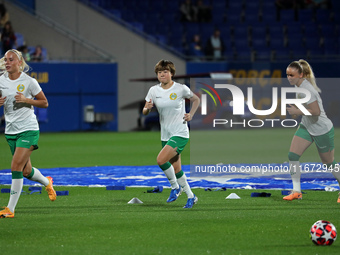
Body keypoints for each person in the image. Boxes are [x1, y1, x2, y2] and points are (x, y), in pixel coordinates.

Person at [0, 49, 56, 218]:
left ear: (20, 62)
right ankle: (47, 182)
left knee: (15, 167)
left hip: (28, 129)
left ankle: (10, 209)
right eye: (5, 60)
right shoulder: (1, 80)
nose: (7, 62)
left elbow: (44, 102)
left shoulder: (29, 82)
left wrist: (26, 100)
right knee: (26, 171)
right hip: (10, 131)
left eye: (11, 59)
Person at [143, 59, 200, 208]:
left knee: (161, 160)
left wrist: (191, 114)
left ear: (172, 73)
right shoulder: (153, 91)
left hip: (180, 133)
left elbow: (196, 99)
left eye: (165, 72)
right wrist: (147, 108)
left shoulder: (180, 88)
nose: (162, 74)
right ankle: (191, 196)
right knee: (176, 169)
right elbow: (144, 110)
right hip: (166, 134)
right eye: (160, 72)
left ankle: (175, 187)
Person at [283, 59, 340, 201]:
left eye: (292, 75)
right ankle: (296, 191)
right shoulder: (298, 86)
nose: (289, 78)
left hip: (322, 129)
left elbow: (315, 111)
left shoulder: (308, 90)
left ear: (301, 75)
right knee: (293, 156)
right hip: (307, 126)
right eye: (288, 74)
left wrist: (298, 110)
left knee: (329, 163)